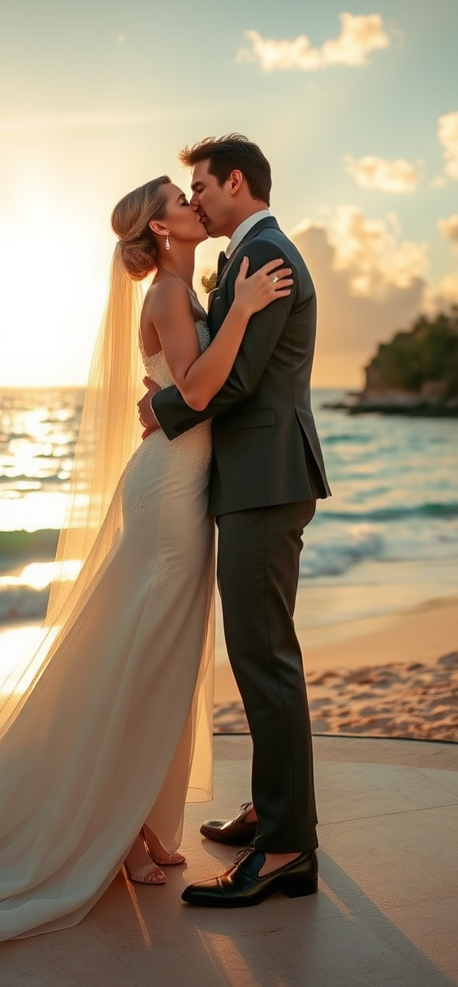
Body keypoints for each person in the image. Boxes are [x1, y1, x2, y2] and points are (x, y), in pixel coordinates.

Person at [0, 175, 292, 956]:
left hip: (179, 482)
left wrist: (216, 330)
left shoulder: (180, 288)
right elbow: (201, 389)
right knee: (143, 663)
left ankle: (132, 821)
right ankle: (120, 832)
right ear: (162, 228)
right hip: (170, 494)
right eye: (181, 198)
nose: (193, 204)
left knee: (153, 662)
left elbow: (186, 388)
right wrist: (240, 311)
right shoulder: (172, 296)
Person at [139, 135, 331, 907]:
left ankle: (286, 848)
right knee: (261, 653)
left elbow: (242, 376)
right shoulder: (249, 254)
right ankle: (272, 810)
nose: (196, 200)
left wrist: (165, 405)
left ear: (236, 182)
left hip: (264, 476)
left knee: (264, 659)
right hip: (256, 476)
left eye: (201, 186)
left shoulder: (262, 256)